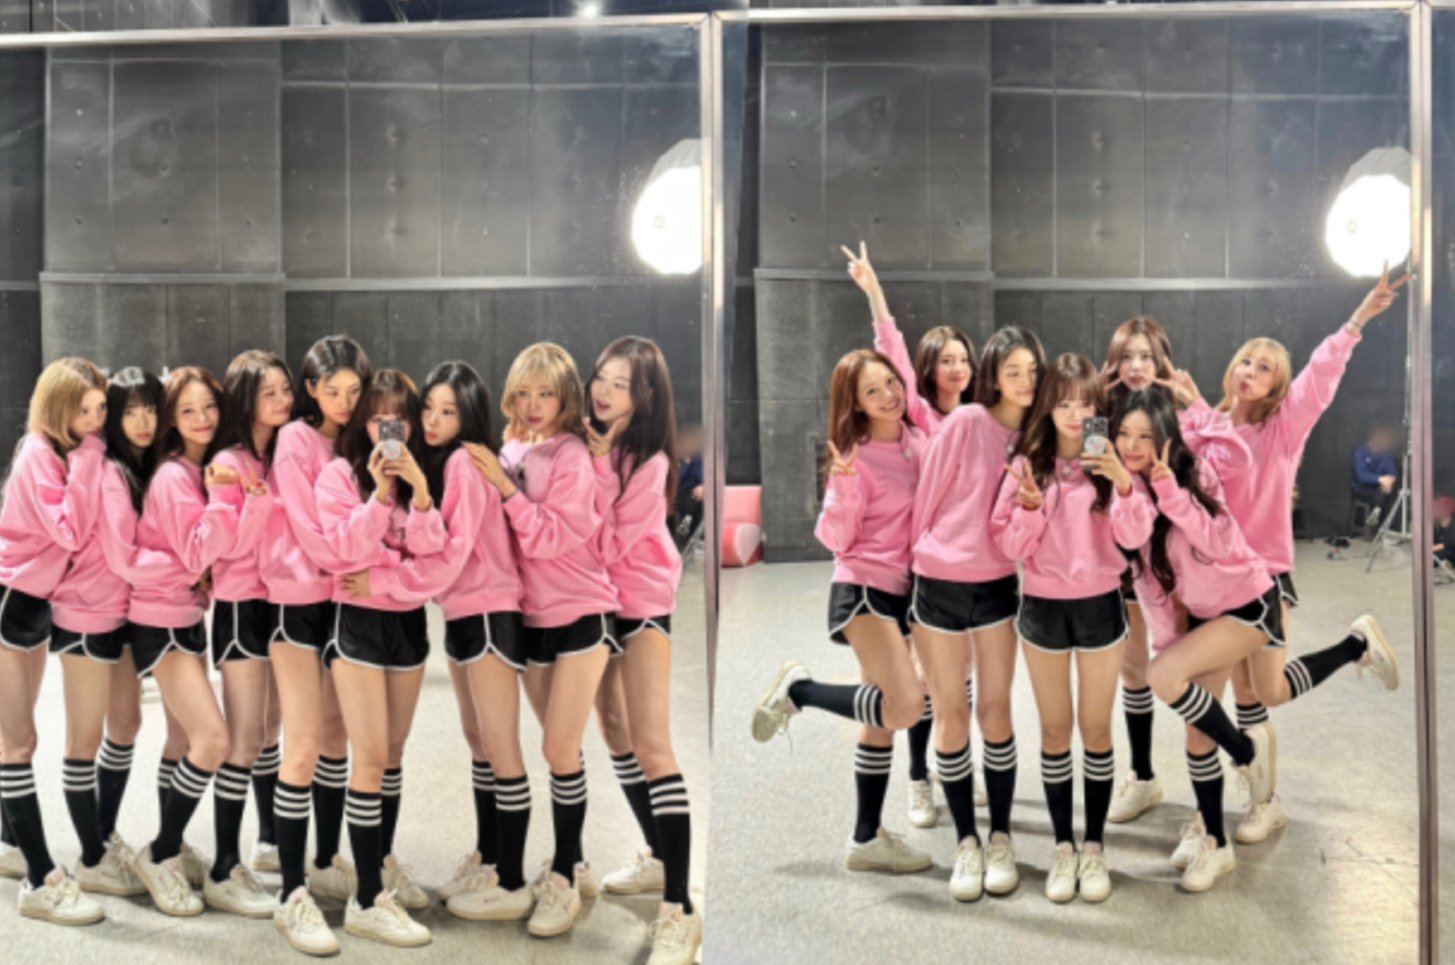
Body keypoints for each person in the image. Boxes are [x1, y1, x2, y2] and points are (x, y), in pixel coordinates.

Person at [1218, 271, 1405, 845]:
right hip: (1216, 581)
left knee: (1269, 690)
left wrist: (1357, 320)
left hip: (1264, 578)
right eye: (1246, 361)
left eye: (1265, 368)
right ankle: (1263, 801)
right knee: (1244, 694)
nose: (1251, 372)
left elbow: (1319, 380)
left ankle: (1354, 644)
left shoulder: (1282, 430)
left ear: (1277, 386)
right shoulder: (1208, 425)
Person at [750, 348, 930, 886]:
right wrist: (844, 487)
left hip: (904, 591)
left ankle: (864, 839)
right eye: (872, 391)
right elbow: (834, 539)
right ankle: (800, 692)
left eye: (891, 382)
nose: (888, 395)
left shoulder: (918, 441)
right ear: (855, 403)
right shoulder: (856, 457)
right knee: (906, 705)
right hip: (863, 588)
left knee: (879, 719)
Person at [465, 342, 619, 939]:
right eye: (524, 392)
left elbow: (550, 537)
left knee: (559, 749)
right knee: (559, 751)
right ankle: (573, 864)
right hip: (529, 620)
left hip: (581, 612)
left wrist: (506, 491)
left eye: (546, 393)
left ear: (566, 397)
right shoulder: (509, 450)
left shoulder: (573, 454)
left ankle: (561, 878)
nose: (533, 404)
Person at [990, 354, 1151, 904]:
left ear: (1098, 407)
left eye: (1085, 403)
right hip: (1042, 608)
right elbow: (1008, 545)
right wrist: (1029, 509)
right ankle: (1064, 847)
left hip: (1101, 604)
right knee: (1056, 732)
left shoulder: (1109, 462)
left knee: (1097, 731)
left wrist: (1124, 486)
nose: (1075, 414)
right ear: (1047, 406)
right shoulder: (1025, 463)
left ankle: (1095, 847)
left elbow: (1136, 539)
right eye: (1063, 402)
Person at [843, 242, 981, 826]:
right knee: (917, 682)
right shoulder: (922, 417)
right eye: (945, 360)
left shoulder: (984, 419)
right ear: (929, 368)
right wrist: (875, 293)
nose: (956, 368)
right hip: (919, 566)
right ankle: (919, 778)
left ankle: (955, 765)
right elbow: (891, 354)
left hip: (972, 565)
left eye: (963, 359)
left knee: (958, 677)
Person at [128, 367, 270, 917]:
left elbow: (218, 549)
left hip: (186, 615)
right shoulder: (173, 476)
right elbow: (196, 554)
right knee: (212, 740)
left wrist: (238, 503)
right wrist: (222, 498)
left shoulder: (196, 469)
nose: (203, 418)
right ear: (171, 418)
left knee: (180, 741)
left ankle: (175, 847)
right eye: (187, 410)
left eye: (209, 406)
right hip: (162, 618)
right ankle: (160, 852)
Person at [911, 327, 1044, 900]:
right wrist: (919, 562)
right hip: (938, 581)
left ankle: (1000, 838)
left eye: (1033, 372)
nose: (1024, 382)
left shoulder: (1037, 438)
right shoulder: (967, 420)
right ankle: (966, 841)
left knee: (994, 710)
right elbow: (928, 492)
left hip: (995, 586)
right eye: (1013, 371)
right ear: (993, 375)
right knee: (950, 713)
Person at [316, 368, 445, 947]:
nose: (387, 428)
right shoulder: (339, 474)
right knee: (367, 759)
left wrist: (419, 492)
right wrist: (378, 496)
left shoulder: (424, 475)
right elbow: (345, 553)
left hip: (408, 624)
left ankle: (381, 866)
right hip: (359, 626)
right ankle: (366, 899)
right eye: (376, 418)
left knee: (392, 755)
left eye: (398, 418)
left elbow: (434, 556)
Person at [588, 337, 700, 965]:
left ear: (646, 395)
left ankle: (679, 908)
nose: (604, 392)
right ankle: (658, 858)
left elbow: (607, 542)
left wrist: (592, 470)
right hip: (595, 605)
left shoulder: (648, 462)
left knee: (652, 744)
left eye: (621, 384)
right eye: (600, 378)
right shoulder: (593, 446)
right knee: (614, 731)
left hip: (640, 605)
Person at [262, 336, 369, 956]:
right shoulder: (296, 440)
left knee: (335, 737)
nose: (345, 402)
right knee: (301, 743)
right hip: (297, 600)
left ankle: (326, 862)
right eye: (333, 391)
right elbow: (308, 527)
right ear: (310, 389)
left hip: (343, 603)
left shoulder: (357, 441)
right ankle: (291, 893)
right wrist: (352, 561)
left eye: (354, 391)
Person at [0, 358, 111, 926]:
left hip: (34, 605)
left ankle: (9, 842)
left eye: (100, 408)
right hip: (9, 602)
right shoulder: (41, 454)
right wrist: (89, 457)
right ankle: (40, 881)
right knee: (16, 743)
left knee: (17, 737)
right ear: (57, 407)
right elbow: (69, 529)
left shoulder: (62, 452)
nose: (95, 421)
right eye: (83, 410)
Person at [200, 351, 294, 918]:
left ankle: (269, 840)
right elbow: (228, 547)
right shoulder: (228, 461)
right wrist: (255, 502)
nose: (282, 401)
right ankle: (223, 866)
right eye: (269, 393)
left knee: (271, 728)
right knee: (244, 739)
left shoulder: (283, 453)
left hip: (281, 602)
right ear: (245, 400)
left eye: (286, 390)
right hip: (240, 606)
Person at [1353, 425, 1401, 531]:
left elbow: (1392, 472)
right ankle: (1381, 524)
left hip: (1381, 488)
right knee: (1383, 493)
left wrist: (1390, 481)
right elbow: (1362, 475)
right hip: (1362, 488)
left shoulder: (1386, 453)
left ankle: (1380, 517)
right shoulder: (1361, 451)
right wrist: (1381, 479)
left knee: (1389, 493)